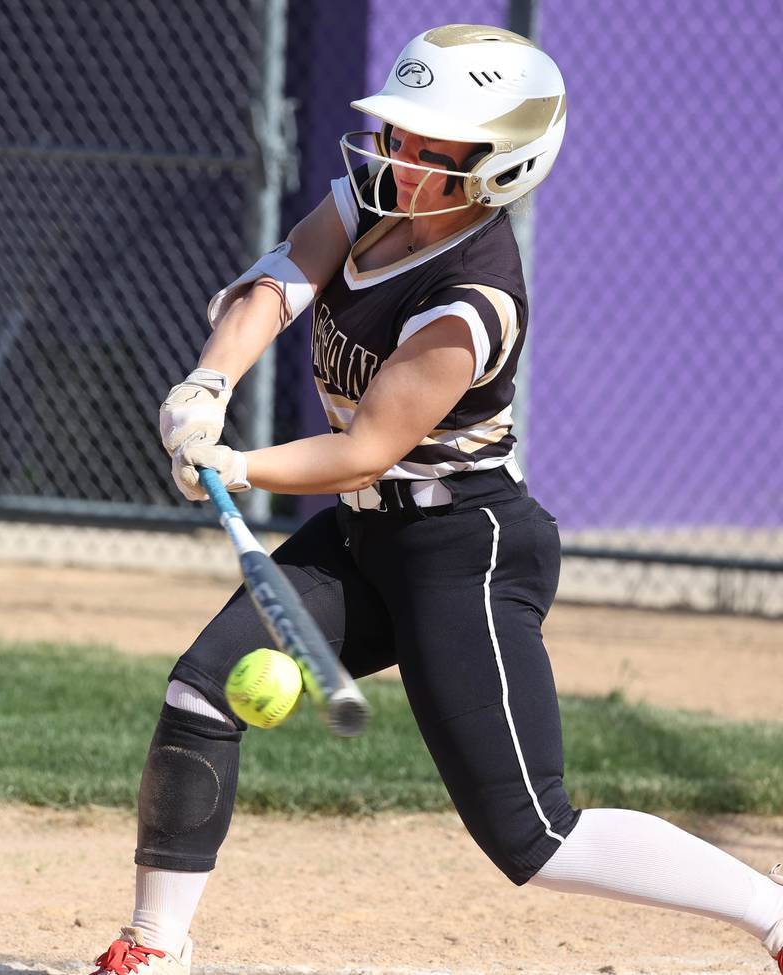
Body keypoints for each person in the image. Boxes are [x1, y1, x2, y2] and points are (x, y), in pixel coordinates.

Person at [90, 24, 783, 975]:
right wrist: (207, 384)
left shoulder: (474, 297)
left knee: (532, 835)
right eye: (399, 133)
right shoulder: (372, 199)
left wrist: (240, 467)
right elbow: (284, 277)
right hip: (366, 539)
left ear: (497, 169)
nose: (397, 157)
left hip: (468, 549)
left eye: (428, 147)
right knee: (201, 689)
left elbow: (366, 446)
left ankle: (774, 915)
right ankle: (154, 944)